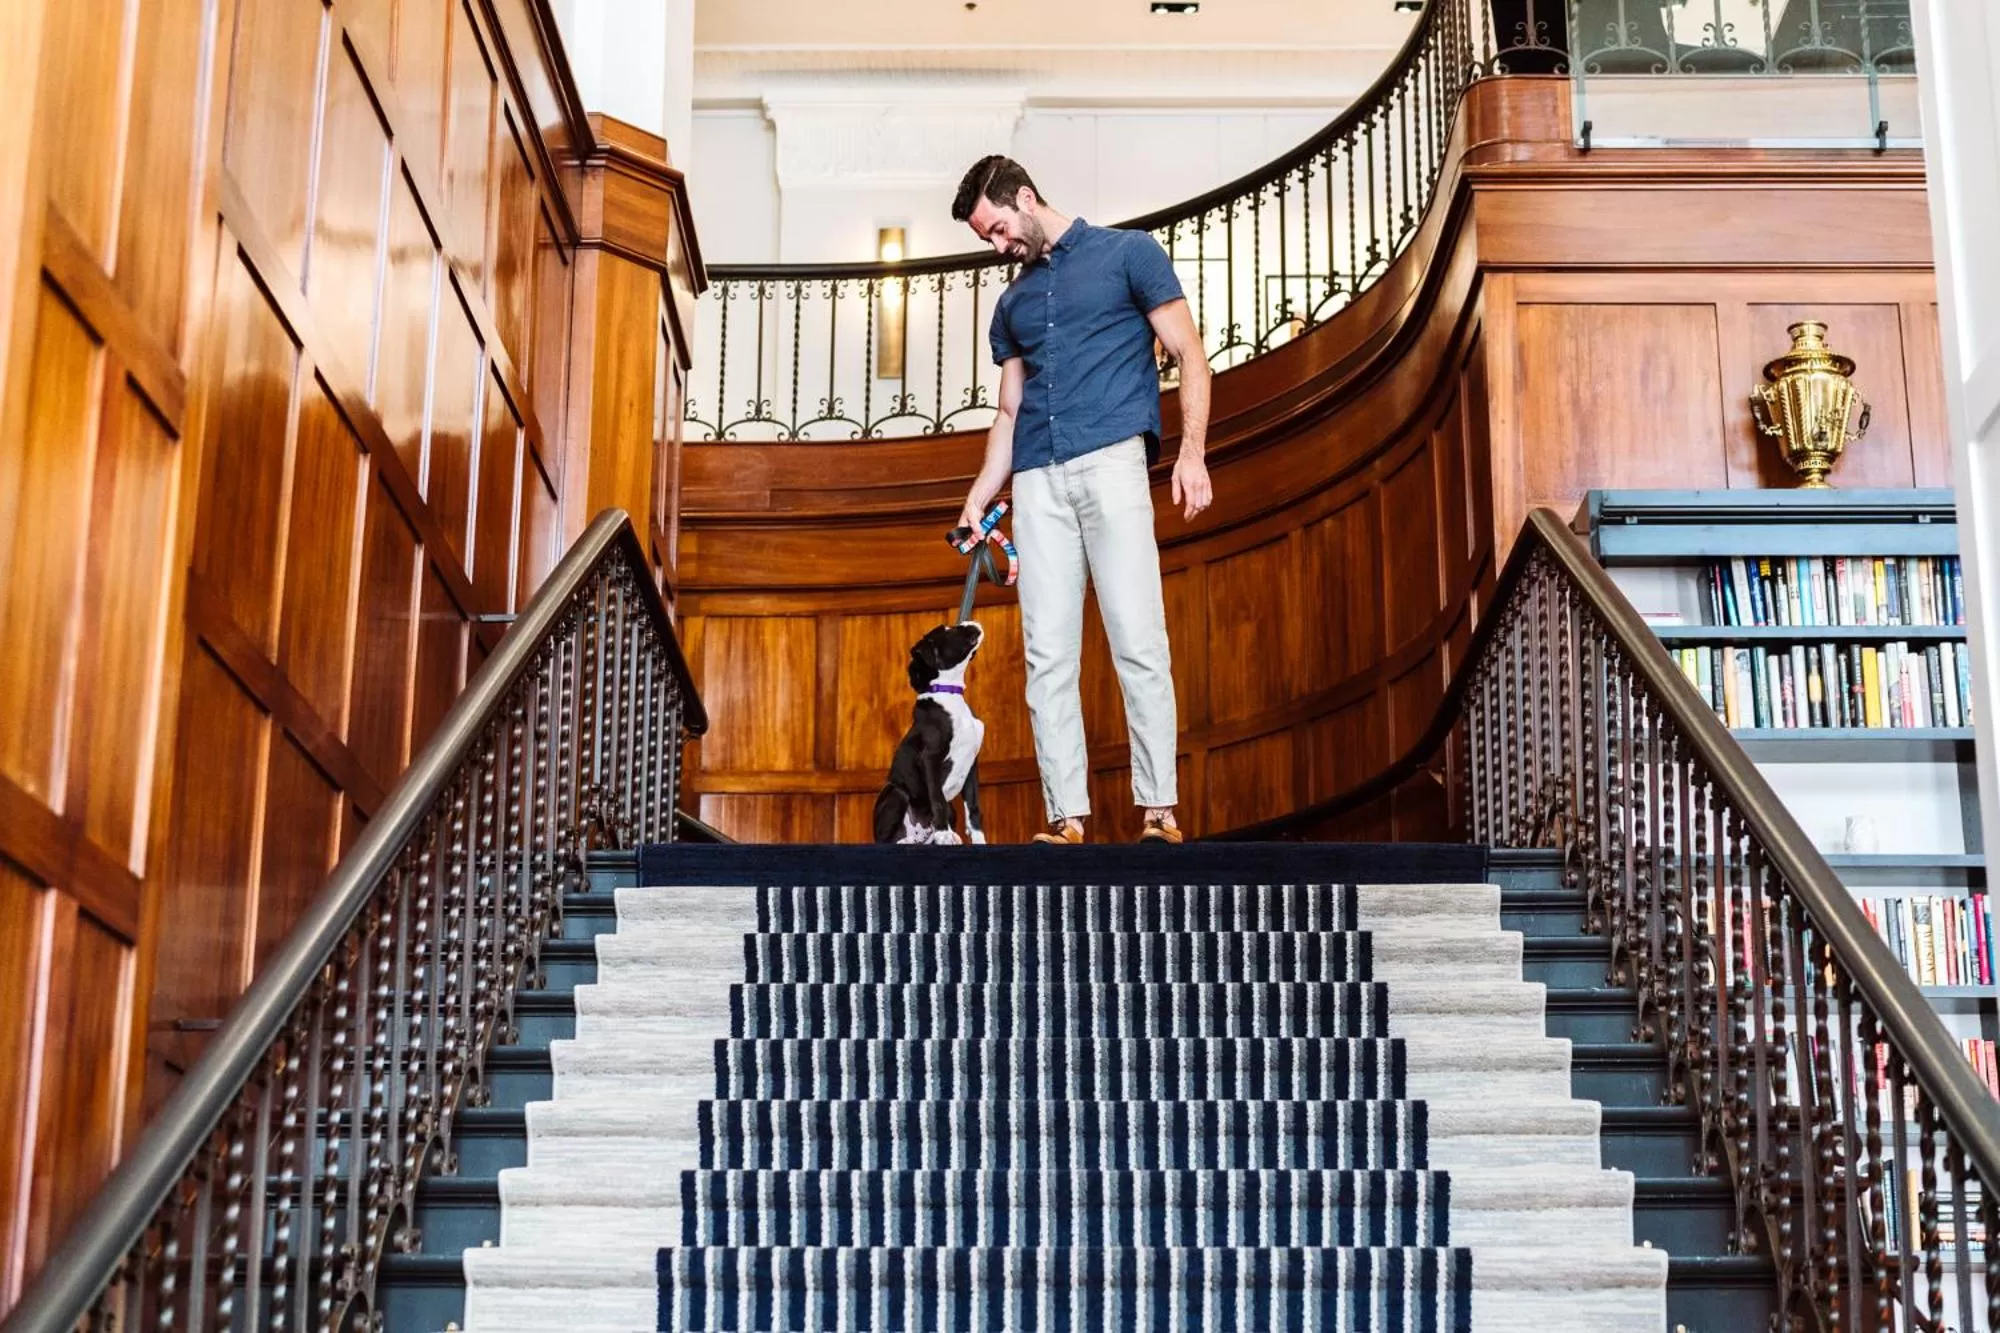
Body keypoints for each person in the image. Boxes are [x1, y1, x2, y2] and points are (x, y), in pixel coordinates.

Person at [949, 155, 1213, 845]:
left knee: (1138, 638)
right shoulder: (1011, 305)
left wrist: (1191, 453)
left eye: (1001, 229)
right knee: (1047, 656)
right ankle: (1066, 818)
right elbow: (1008, 411)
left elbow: (1189, 351)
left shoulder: (1130, 255)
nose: (999, 246)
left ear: (1027, 198)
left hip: (1113, 462)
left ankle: (1158, 810)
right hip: (1037, 479)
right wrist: (981, 492)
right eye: (988, 239)